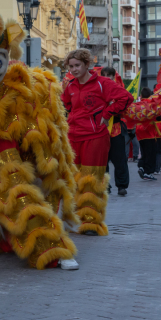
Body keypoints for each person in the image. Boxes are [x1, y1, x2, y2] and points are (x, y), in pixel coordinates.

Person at [62, 49, 132, 235]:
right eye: (71, 66)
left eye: (77, 65)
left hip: (95, 137)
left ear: (87, 65)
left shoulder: (103, 83)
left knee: (92, 180)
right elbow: (66, 106)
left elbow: (126, 98)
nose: (74, 69)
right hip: (73, 138)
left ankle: (92, 223)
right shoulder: (69, 86)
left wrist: (106, 114)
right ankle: (77, 219)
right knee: (74, 180)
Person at [100, 66, 129, 196]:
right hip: (101, 129)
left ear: (114, 76)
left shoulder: (120, 91)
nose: (107, 77)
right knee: (102, 159)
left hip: (116, 129)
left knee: (120, 159)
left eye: (110, 75)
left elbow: (125, 106)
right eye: (104, 74)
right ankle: (105, 185)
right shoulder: (97, 90)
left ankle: (121, 185)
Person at [136, 88, 159, 181]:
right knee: (150, 152)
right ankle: (148, 172)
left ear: (141, 95)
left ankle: (141, 166)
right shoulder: (151, 104)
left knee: (143, 151)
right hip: (149, 130)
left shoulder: (137, 105)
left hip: (139, 130)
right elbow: (157, 116)